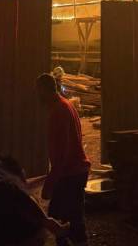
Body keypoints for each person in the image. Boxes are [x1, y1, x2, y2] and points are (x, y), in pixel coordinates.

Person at [36, 73, 91, 245]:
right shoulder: (67, 105)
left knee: (66, 220)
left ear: (44, 90)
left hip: (70, 174)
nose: (37, 96)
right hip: (75, 171)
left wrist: (50, 182)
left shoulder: (58, 112)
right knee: (65, 219)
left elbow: (61, 153)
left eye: (38, 91)